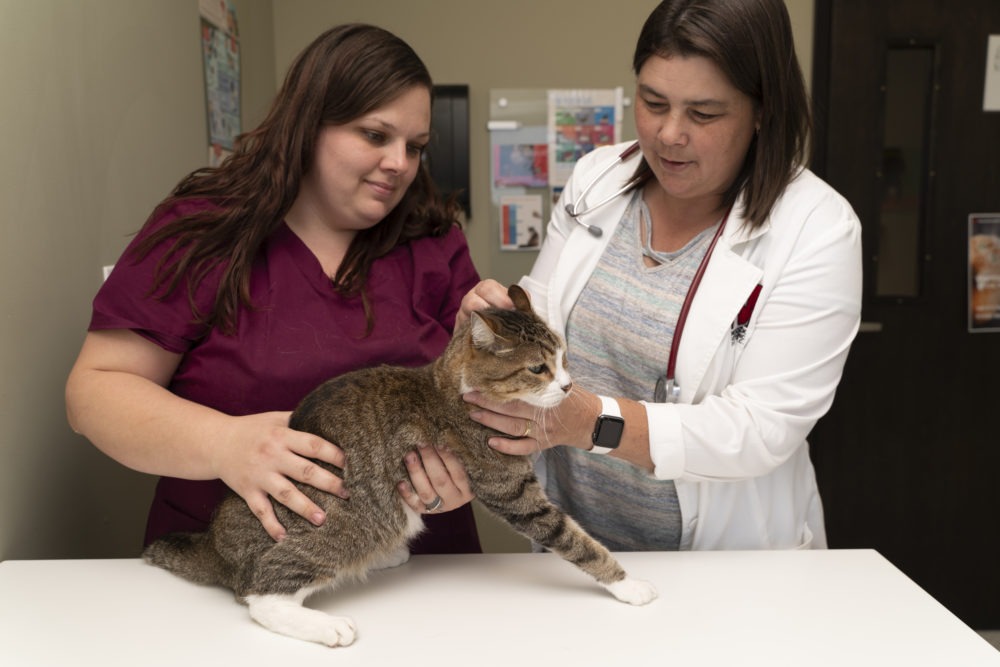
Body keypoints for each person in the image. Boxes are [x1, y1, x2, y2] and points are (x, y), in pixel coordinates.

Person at [460, 0, 862, 551]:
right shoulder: (596, 180)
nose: (670, 134)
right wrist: (497, 325)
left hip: (725, 565)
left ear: (763, 109)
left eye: (704, 114)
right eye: (653, 103)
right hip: (576, 547)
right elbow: (543, 313)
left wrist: (590, 422)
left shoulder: (816, 228)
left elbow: (759, 431)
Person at [65, 24, 481, 553]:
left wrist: (462, 470)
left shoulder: (434, 244)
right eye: (375, 135)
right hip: (234, 568)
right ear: (309, 125)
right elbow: (95, 392)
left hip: (418, 566)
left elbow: (483, 412)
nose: (399, 163)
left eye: (415, 146)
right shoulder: (205, 231)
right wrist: (224, 444)